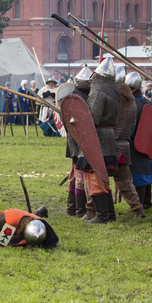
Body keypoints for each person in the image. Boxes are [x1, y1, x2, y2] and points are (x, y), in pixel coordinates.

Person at [77, 57, 121, 224]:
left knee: (94, 176)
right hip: (108, 135)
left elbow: (92, 118)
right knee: (103, 177)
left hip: (97, 136)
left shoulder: (98, 91)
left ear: (98, 75)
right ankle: (109, 213)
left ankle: (102, 215)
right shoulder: (114, 91)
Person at [111, 66, 146, 218]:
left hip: (110, 145)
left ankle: (99, 210)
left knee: (98, 179)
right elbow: (131, 126)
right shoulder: (132, 101)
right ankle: (138, 209)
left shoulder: (113, 99)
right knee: (125, 181)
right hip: (125, 145)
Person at [125, 72, 152, 210]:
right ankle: (147, 202)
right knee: (146, 174)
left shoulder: (130, 104)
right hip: (146, 144)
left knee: (138, 176)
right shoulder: (148, 102)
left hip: (134, 144)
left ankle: (141, 204)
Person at [64, 65, 91, 219]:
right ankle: (80, 210)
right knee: (79, 175)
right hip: (81, 139)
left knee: (74, 173)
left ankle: (71, 208)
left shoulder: (71, 97)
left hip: (73, 140)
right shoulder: (83, 99)